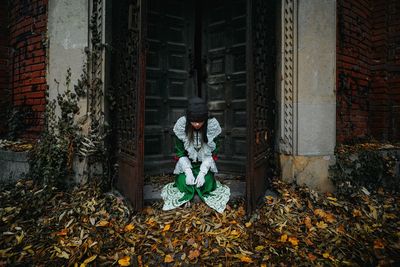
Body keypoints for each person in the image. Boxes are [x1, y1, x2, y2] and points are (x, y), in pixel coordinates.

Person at [161, 97, 230, 213]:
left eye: (200, 121)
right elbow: (180, 152)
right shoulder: (182, 127)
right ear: (188, 120)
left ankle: (203, 178)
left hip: (204, 165)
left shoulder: (212, 127)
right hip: (186, 166)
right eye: (193, 121)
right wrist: (188, 172)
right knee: (184, 182)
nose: (197, 124)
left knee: (207, 183)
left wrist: (203, 173)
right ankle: (187, 180)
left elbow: (213, 153)